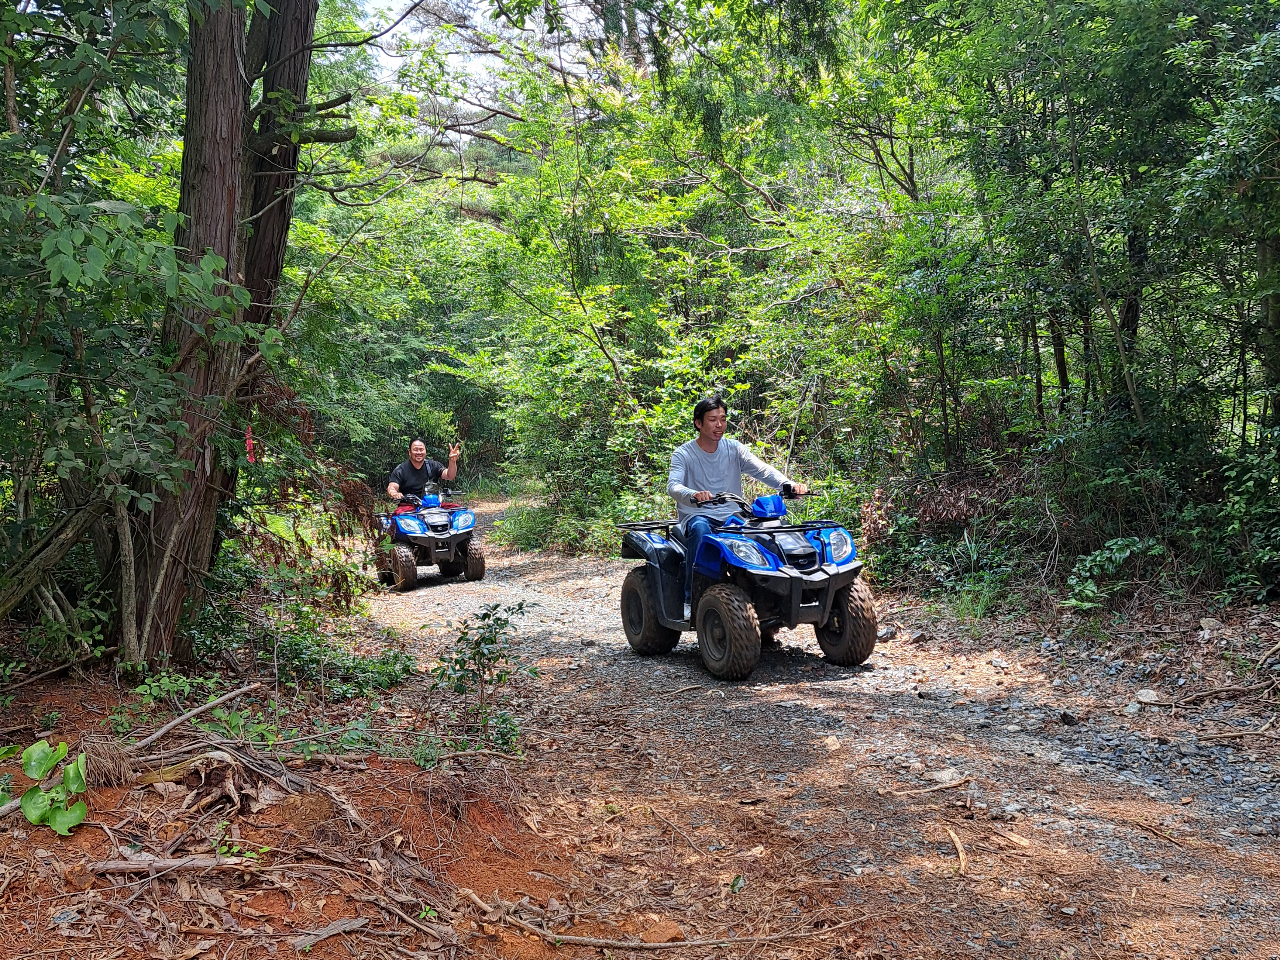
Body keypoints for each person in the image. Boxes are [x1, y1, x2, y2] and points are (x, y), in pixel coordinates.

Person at [667, 396, 807, 607]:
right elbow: (673, 486)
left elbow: (761, 470)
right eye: (713, 419)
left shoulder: (734, 449)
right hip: (698, 516)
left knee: (766, 532)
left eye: (722, 419)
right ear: (698, 423)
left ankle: (772, 596)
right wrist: (693, 494)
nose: (719, 425)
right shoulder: (683, 454)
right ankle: (692, 598)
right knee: (701, 530)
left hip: (734, 516)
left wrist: (788, 484)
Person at [387, 439, 461, 502]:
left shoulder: (433, 465)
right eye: (415, 450)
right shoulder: (401, 469)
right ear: (409, 452)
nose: (419, 452)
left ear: (425, 451)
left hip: (432, 505)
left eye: (421, 449)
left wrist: (452, 461)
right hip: (409, 507)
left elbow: (450, 475)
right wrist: (395, 494)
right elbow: (392, 487)